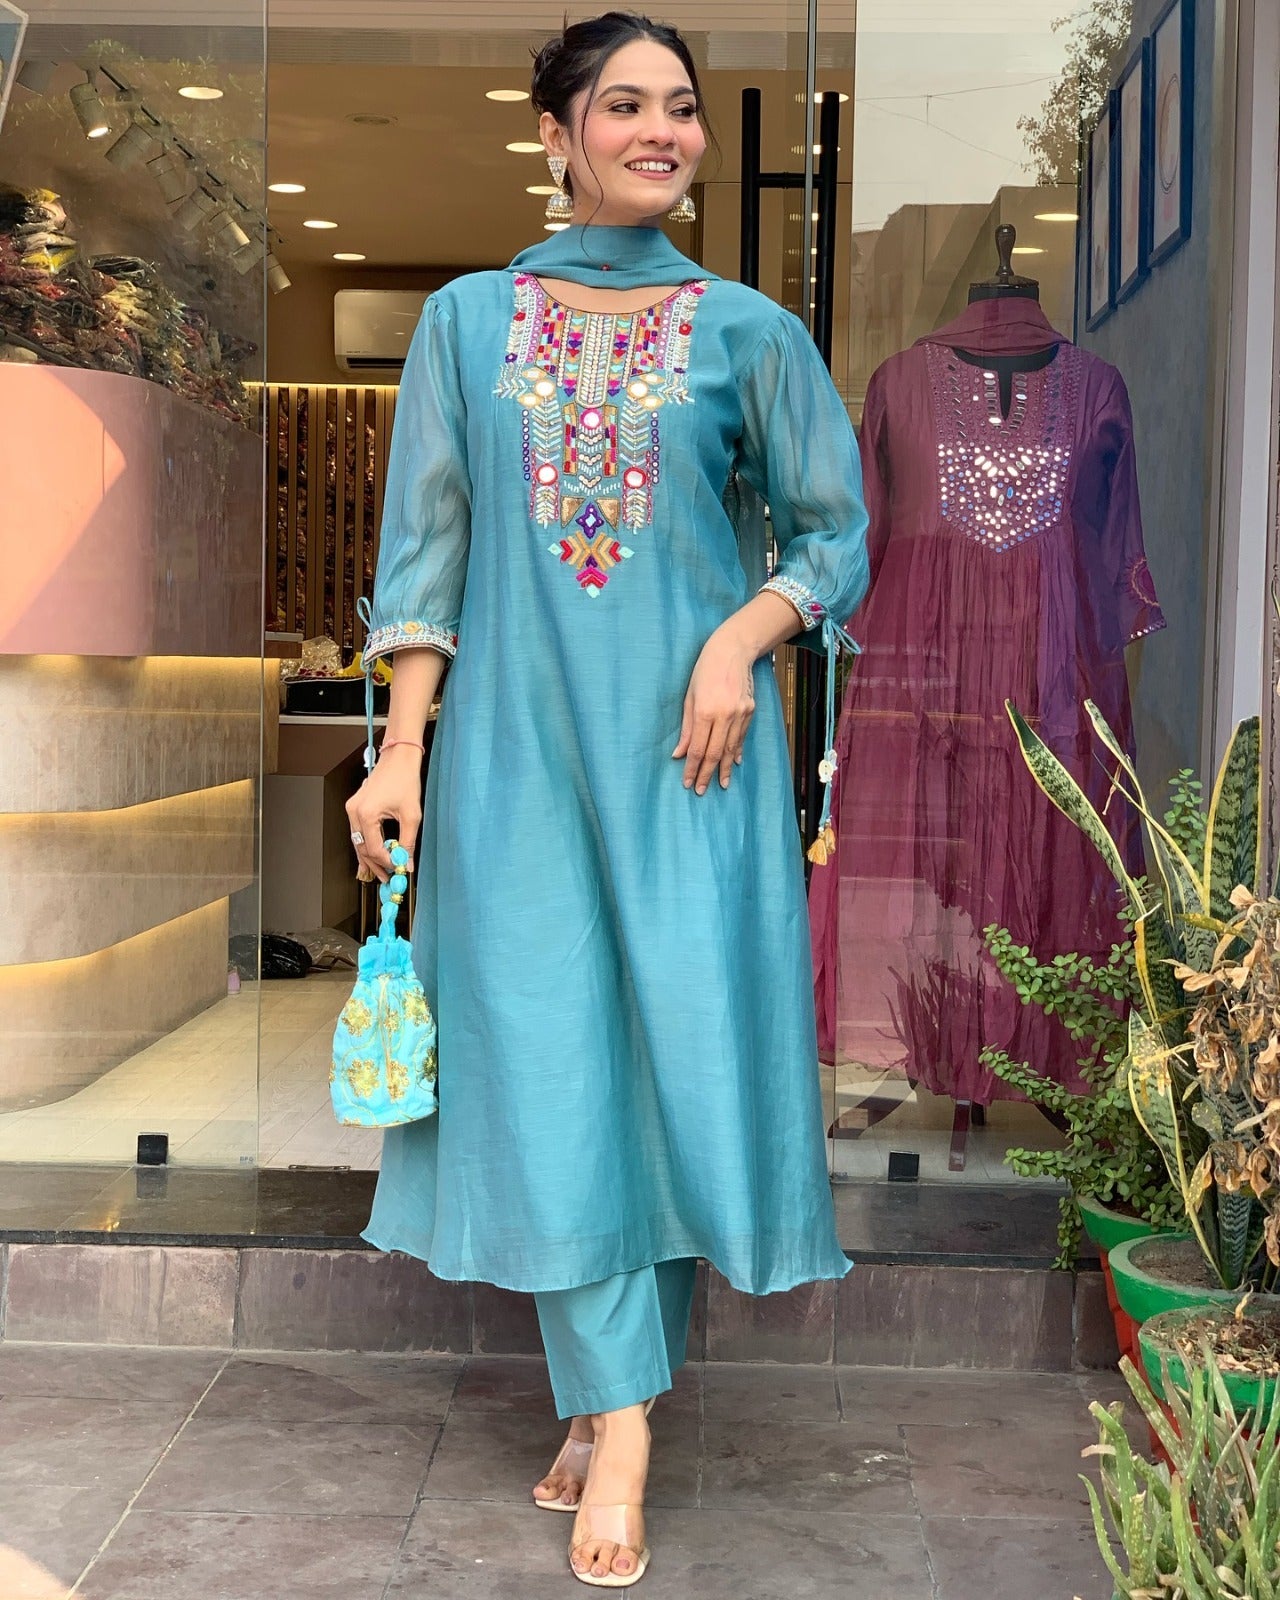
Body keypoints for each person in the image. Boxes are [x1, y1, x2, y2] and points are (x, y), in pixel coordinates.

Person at [345, 11, 869, 1588]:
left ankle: (603, 1396)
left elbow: (833, 541)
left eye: (682, 108)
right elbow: (426, 555)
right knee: (548, 1063)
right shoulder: (465, 324)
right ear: (558, 134)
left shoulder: (750, 334)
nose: (662, 132)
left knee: (674, 1068)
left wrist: (737, 640)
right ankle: (625, 1422)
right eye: (625, 104)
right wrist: (399, 751)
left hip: (692, 763)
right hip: (514, 762)